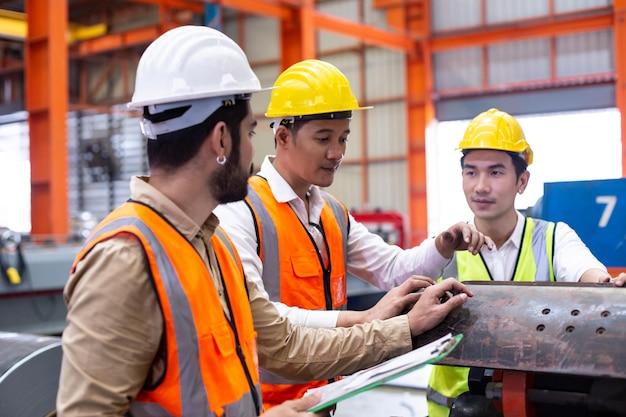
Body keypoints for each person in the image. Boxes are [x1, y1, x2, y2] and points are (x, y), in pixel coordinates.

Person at [56, 25, 474, 417]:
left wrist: (402, 329)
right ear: (222, 139)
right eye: (251, 131)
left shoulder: (213, 245)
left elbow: (283, 344)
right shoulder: (127, 258)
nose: (253, 151)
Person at [213, 58, 493, 410]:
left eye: (343, 138)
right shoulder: (242, 210)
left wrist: (442, 246)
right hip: (267, 406)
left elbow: (392, 270)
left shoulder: (331, 212)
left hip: (325, 397)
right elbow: (264, 319)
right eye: (323, 138)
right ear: (283, 136)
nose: (338, 153)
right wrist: (363, 319)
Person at [425, 107, 626, 417]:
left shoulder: (553, 239)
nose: (480, 186)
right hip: (453, 411)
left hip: (530, 406)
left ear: (522, 180)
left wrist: (609, 291)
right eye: (470, 171)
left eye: (495, 172)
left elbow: (589, 274)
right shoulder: (443, 249)